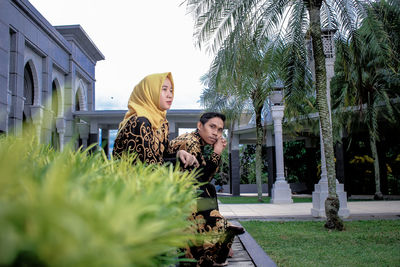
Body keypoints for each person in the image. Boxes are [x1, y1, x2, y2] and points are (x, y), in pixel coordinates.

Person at [168, 112, 244, 267]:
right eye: (212, 126)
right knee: (201, 193)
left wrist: (215, 154)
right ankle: (220, 233)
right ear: (199, 126)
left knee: (208, 189)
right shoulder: (190, 143)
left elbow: (203, 179)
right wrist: (216, 153)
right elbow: (199, 179)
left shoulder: (197, 143)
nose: (216, 132)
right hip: (170, 193)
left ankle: (220, 239)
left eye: (220, 129)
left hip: (181, 190)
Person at [112, 72, 198, 168]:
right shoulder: (139, 123)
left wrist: (179, 154)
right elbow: (150, 166)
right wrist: (180, 161)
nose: (170, 95)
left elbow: (161, 157)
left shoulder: (162, 123)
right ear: (149, 92)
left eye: (171, 90)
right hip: (129, 181)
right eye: (164, 89)